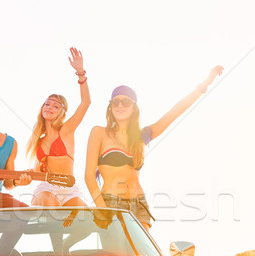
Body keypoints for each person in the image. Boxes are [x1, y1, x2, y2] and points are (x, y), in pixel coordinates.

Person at [84, 65, 224, 230]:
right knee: (120, 254)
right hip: (111, 203)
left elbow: (175, 111)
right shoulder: (99, 132)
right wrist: (102, 210)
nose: (120, 106)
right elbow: (89, 176)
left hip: (139, 203)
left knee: (141, 255)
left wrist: (205, 83)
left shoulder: (142, 136)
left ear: (134, 107)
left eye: (125, 102)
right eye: (116, 102)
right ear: (110, 106)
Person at [26, 47, 91, 207]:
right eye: (47, 104)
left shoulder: (66, 130)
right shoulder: (38, 141)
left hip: (70, 188)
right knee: (51, 207)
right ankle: (55, 231)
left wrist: (80, 72)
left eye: (55, 106)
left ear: (62, 112)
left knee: (85, 220)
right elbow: (37, 172)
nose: (49, 107)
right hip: (47, 188)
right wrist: (21, 179)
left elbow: (85, 103)